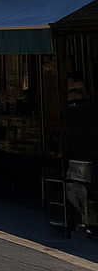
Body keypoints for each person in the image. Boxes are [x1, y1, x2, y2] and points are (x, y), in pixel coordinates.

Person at [61, 81, 98, 229]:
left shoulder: (66, 112)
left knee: (76, 191)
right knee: (89, 192)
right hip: (90, 157)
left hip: (74, 158)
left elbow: (65, 137)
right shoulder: (92, 109)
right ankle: (90, 221)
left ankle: (81, 220)